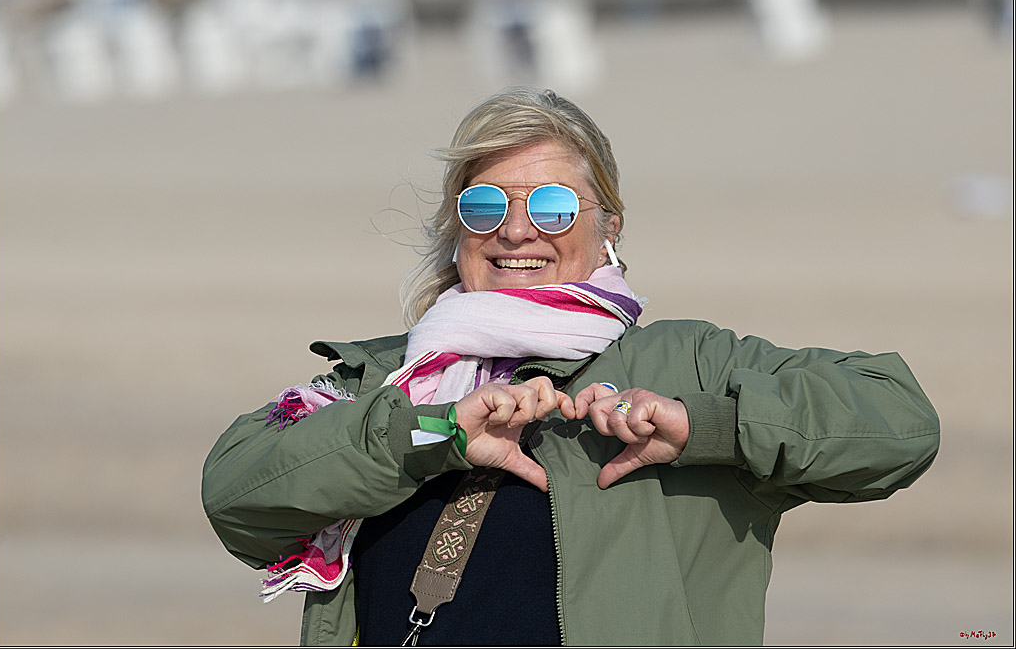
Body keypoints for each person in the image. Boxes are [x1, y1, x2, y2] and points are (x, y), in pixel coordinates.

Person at [202, 87, 940, 646]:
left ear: (608, 227)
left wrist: (708, 429)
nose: (516, 230)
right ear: (455, 226)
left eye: (554, 206)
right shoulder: (384, 379)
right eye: (485, 204)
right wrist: (433, 435)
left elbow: (898, 423)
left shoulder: (685, 360)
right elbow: (238, 494)